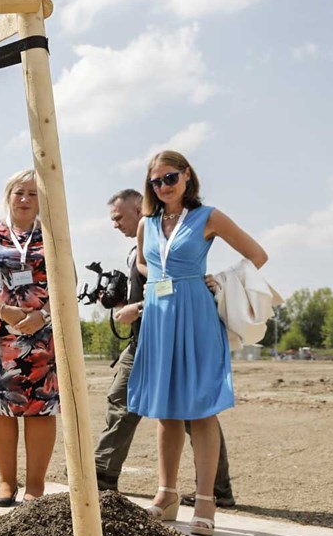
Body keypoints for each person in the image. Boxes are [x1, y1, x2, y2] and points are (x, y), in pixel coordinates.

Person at [128, 151, 267, 536]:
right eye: (156, 182)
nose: (163, 187)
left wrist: (217, 279)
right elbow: (142, 263)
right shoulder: (147, 223)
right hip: (159, 318)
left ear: (187, 177)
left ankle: (205, 500)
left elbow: (257, 255)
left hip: (197, 316)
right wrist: (157, 279)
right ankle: (167, 494)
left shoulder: (209, 217)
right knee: (165, 409)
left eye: (170, 178)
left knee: (202, 408)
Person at [93, 189, 236, 507]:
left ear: (137, 210)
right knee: (138, 405)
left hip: (162, 338)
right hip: (143, 339)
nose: (114, 224)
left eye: (118, 217)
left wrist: (138, 309)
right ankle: (217, 489)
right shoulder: (142, 248)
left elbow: (174, 288)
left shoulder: (163, 241)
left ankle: (214, 490)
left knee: (191, 412)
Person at [0, 169, 58, 507]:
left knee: (41, 408)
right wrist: (3, 310)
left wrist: (42, 315)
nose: (25, 199)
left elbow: (68, 278)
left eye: (33, 194)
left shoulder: (52, 231)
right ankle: (5, 482)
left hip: (42, 335)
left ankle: (36, 486)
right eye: (19, 192)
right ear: (8, 195)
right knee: (1, 406)